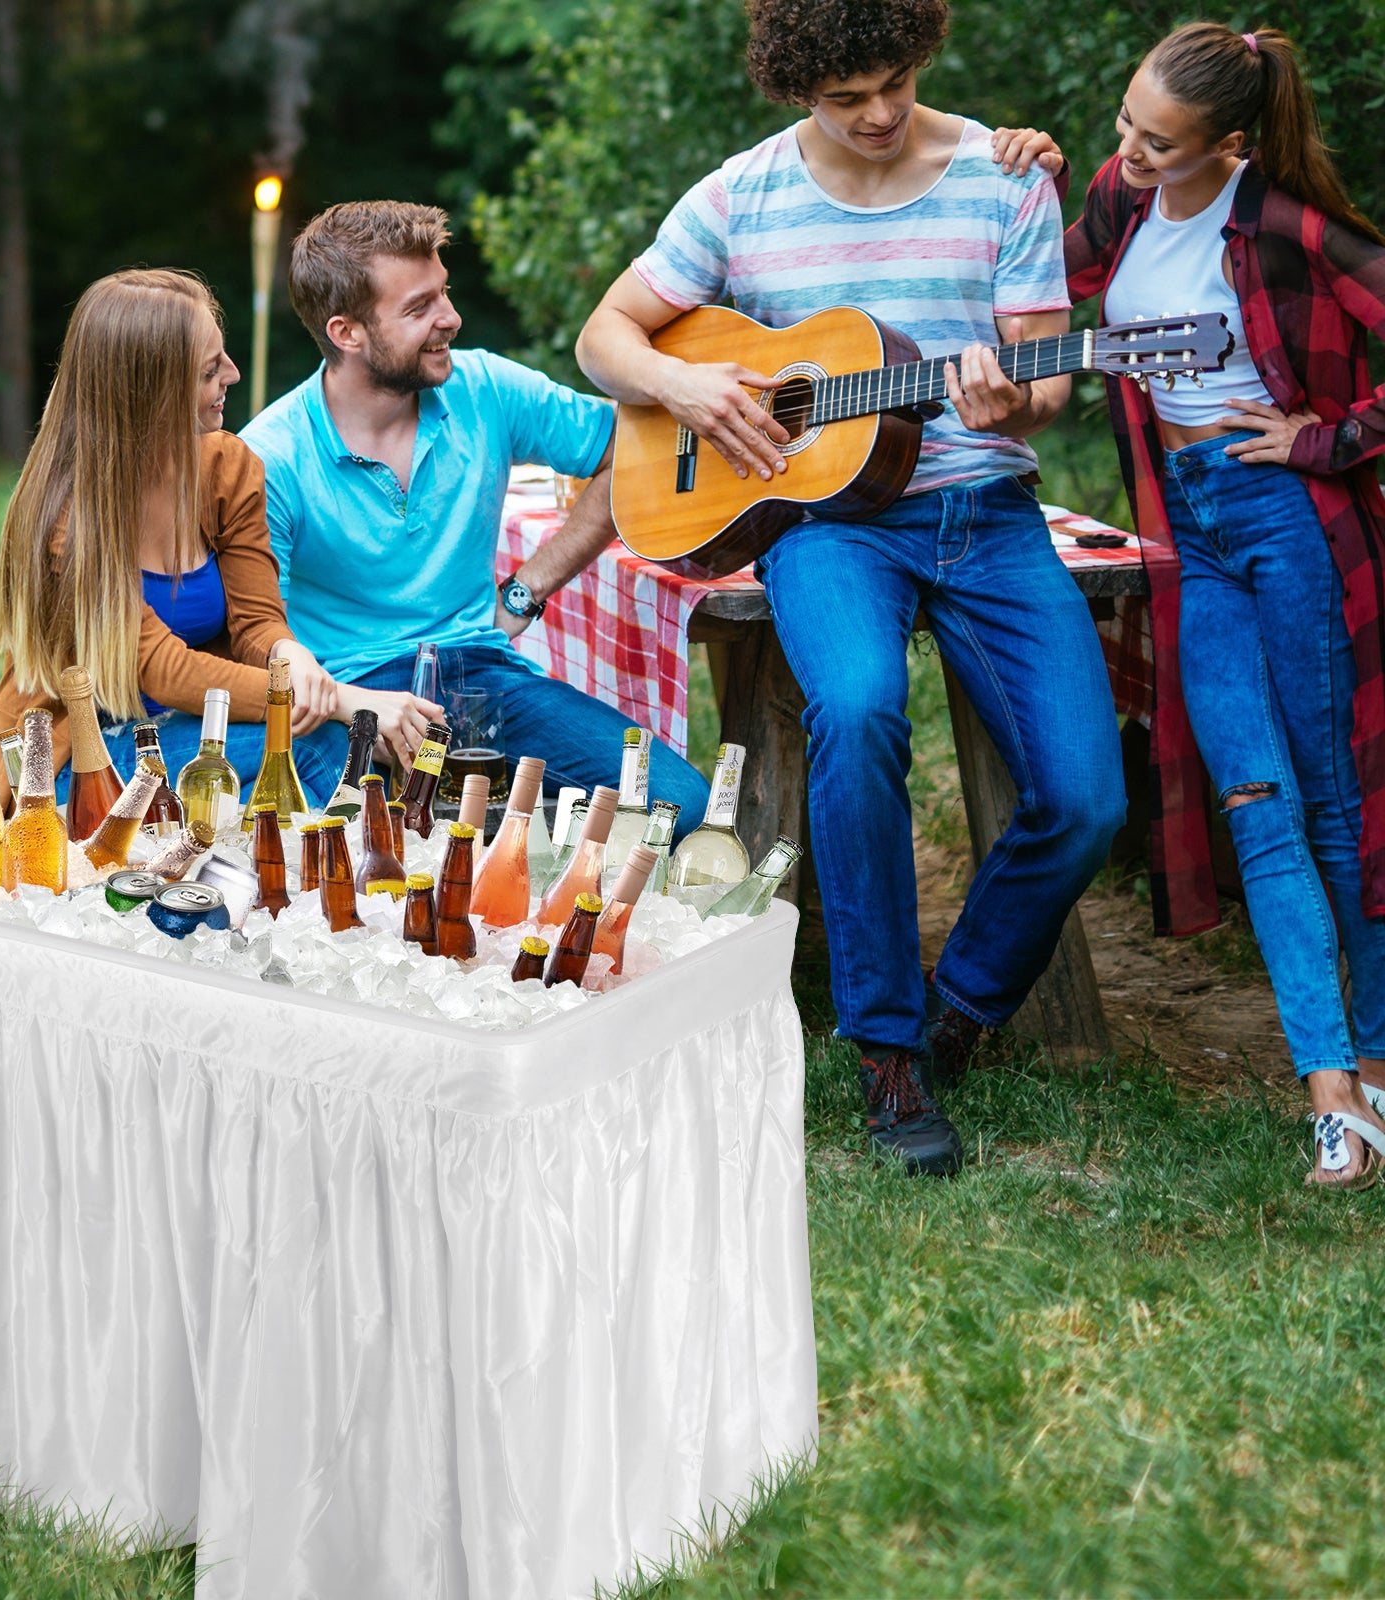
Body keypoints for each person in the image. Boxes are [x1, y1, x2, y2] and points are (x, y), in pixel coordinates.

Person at [575, 0, 1126, 1175]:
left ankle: (961, 1004)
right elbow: (603, 337)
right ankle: (885, 1050)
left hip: (985, 512)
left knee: (1086, 796)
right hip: (825, 524)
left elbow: (1046, 376)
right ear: (793, 91)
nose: (878, 113)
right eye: (846, 97)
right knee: (861, 709)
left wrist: (1011, 397)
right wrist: (684, 388)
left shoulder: (1000, 173)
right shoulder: (741, 194)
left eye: (896, 82)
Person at [995, 23, 1385, 1186]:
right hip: (1186, 528)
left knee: (1330, 806)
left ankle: (1369, 1061)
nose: (1129, 151)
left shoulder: (1280, 225)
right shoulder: (1121, 197)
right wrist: (1030, 176)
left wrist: (1325, 439)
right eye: (1124, 125)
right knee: (1254, 799)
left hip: (1282, 520)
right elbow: (1025, 293)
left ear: (1227, 140)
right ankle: (1329, 1088)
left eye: (1155, 141)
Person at [237, 200, 712, 827]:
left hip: (481, 674)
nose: (451, 319)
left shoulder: (486, 387)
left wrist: (524, 591)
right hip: (349, 701)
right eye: (418, 308)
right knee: (358, 854)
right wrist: (352, 708)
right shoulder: (271, 456)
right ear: (346, 332)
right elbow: (256, 635)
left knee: (678, 806)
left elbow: (627, 451)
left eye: (444, 293)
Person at [0, 268, 437, 808]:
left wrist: (286, 652)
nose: (234, 374)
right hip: (80, 757)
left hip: (201, 722)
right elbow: (161, 669)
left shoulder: (227, 467)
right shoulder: (66, 518)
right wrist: (341, 700)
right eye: (208, 370)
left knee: (334, 753)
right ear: (148, 389)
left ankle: (291, 859)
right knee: (324, 746)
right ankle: (342, 869)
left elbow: (256, 620)